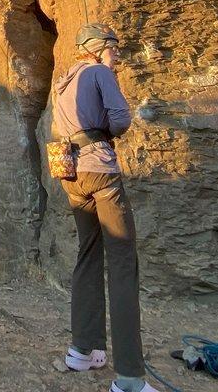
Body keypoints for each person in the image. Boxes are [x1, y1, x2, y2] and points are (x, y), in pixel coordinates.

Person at [53, 23, 157, 392]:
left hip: (71, 176)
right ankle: (129, 378)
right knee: (123, 260)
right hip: (100, 172)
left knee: (88, 254)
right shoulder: (99, 72)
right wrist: (108, 132)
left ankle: (83, 350)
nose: (118, 55)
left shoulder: (63, 81)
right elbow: (121, 119)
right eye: (114, 48)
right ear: (97, 48)